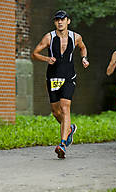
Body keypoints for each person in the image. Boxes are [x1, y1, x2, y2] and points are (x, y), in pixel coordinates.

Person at [31, 10, 89, 158]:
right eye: (57, 20)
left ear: (68, 21)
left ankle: (62, 144)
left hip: (69, 76)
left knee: (65, 107)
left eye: (62, 20)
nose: (60, 22)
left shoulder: (76, 37)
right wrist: (46, 59)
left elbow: (83, 47)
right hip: (53, 77)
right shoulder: (49, 37)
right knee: (56, 112)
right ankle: (69, 128)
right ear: (55, 22)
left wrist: (84, 58)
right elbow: (34, 53)